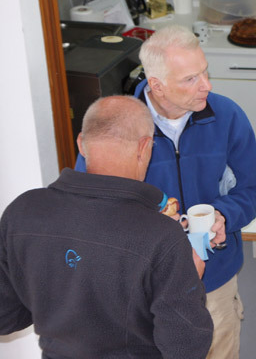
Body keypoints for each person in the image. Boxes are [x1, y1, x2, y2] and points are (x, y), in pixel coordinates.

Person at [76, 25, 256, 358]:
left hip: (214, 284)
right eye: (190, 79)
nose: (206, 85)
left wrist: (224, 215)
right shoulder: (115, 127)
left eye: (205, 72)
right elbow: (89, 205)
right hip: (142, 290)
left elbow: (254, 187)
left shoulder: (227, 116)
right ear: (157, 85)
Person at [0, 96, 213, 358]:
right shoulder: (162, 236)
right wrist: (190, 278)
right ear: (144, 147)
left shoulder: (23, 211)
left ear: (82, 144)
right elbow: (185, 348)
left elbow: (5, 317)